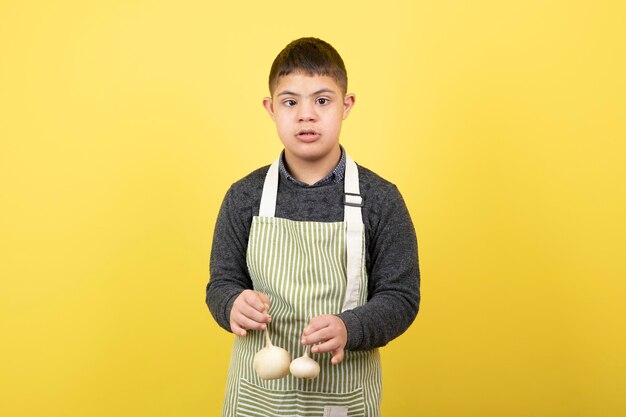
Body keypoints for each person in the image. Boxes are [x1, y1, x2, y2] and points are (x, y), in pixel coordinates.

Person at [206, 37, 420, 417]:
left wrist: (349, 327)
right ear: (271, 109)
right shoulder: (243, 197)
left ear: (346, 105)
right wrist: (231, 304)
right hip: (259, 398)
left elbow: (401, 298)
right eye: (291, 102)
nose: (306, 114)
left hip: (342, 396)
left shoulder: (381, 199)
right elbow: (221, 283)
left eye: (322, 100)